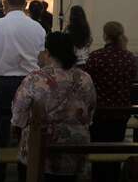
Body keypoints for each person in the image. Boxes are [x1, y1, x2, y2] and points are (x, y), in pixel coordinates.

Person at [12, 32, 96, 182]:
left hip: (40, 149)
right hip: (75, 147)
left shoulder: (35, 78)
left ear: (48, 52)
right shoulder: (85, 78)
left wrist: (20, 128)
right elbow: (89, 113)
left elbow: (19, 114)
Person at [0, 0, 46, 181]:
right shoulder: (38, 28)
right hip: (31, 82)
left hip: (3, 82)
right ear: (25, 4)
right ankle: (24, 170)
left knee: (1, 123)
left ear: (5, 4)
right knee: (28, 126)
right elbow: (42, 61)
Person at [85, 22, 137, 182]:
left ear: (105, 35)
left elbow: (87, 82)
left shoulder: (96, 56)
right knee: (116, 146)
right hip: (121, 112)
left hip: (100, 112)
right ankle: (114, 176)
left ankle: (98, 177)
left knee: (98, 149)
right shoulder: (129, 57)